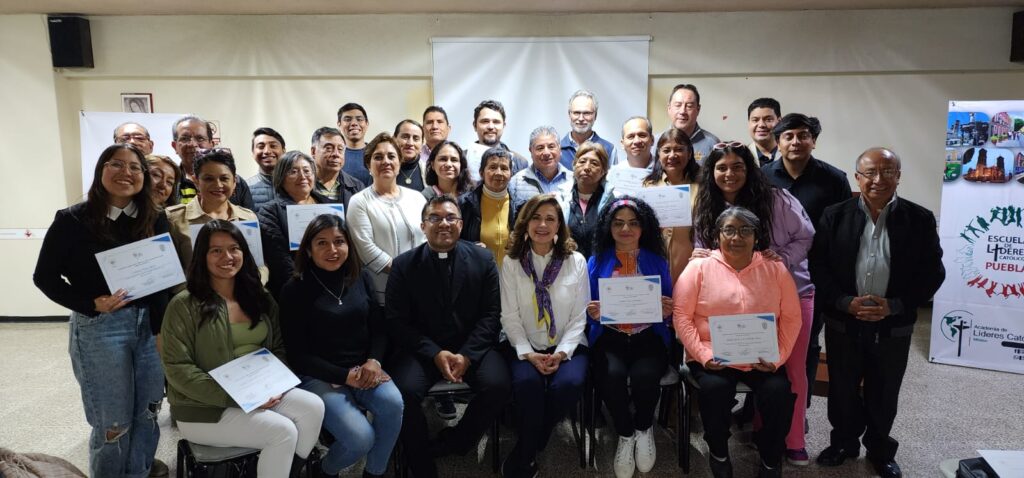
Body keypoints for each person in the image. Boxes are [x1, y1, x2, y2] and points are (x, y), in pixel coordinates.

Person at [33, 143, 170, 478]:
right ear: (100, 171)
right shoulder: (72, 220)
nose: (127, 173)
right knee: (113, 422)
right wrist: (89, 303)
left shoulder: (154, 216)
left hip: (149, 326)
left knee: (148, 412)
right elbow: (44, 277)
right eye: (116, 164)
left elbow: (161, 280)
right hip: (102, 327)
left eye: (135, 167)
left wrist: (161, 331)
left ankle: (138, 473)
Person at [812, 148, 944, 478]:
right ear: (857, 177)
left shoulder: (920, 218)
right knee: (841, 387)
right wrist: (844, 302)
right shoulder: (834, 215)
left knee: (884, 389)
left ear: (898, 176)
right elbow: (818, 266)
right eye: (870, 172)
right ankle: (843, 443)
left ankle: (880, 450)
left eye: (888, 171)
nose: (878, 179)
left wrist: (895, 305)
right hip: (844, 319)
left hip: (893, 324)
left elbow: (932, 273)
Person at [161, 220, 325, 478]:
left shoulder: (259, 296)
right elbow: (178, 369)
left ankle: (280, 472)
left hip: (259, 391)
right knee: (282, 432)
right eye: (216, 250)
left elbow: (279, 347)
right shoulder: (183, 304)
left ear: (244, 253)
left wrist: (272, 386)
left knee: (314, 407)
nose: (227, 257)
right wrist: (240, 398)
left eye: (234, 248)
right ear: (201, 256)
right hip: (205, 409)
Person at [693, 142, 815, 465]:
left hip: (790, 292)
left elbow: (806, 235)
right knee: (754, 367)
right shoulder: (707, 203)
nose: (729, 174)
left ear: (750, 170)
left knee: (790, 368)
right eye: (722, 168)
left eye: (738, 167)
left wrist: (782, 259)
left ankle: (792, 441)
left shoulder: (775, 199)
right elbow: (701, 246)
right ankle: (760, 433)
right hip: (734, 304)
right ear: (712, 172)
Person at [386, 195, 511, 478]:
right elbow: (396, 322)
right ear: (422, 225)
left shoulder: (483, 259)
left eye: (450, 218)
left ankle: (457, 441)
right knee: (402, 392)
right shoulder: (404, 265)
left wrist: (467, 355)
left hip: (471, 347)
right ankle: (419, 460)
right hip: (422, 350)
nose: (443, 224)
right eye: (435, 218)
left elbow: (492, 315)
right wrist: (434, 352)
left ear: (461, 223)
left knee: (499, 385)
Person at [675, 206, 801, 478]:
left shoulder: (775, 268)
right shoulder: (698, 267)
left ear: (756, 236)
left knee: (779, 394)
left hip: (762, 358)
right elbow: (682, 317)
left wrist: (778, 358)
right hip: (712, 357)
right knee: (715, 391)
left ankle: (770, 458)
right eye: (729, 230)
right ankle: (719, 451)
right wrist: (703, 354)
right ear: (717, 235)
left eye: (746, 230)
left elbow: (792, 318)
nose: (737, 237)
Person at [279, 215, 402, 478]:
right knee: (360, 439)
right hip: (318, 375)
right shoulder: (294, 290)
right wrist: (344, 376)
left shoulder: (361, 278)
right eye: (322, 243)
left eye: (339, 241)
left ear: (349, 245)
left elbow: (380, 330)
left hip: (364, 369)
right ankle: (324, 470)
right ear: (308, 250)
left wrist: (374, 362)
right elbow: (298, 355)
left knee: (393, 403)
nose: (332, 250)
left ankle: (375, 472)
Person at [761, 113, 852, 415]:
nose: (796, 142)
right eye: (788, 136)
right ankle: (757, 407)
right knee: (764, 337)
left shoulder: (834, 179)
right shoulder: (763, 176)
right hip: (771, 274)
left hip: (813, 277)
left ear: (813, 141)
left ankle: (801, 406)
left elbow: (840, 231)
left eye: (803, 135)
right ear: (778, 142)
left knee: (808, 344)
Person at [499, 194, 589, 478]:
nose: (542, 224)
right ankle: (529, 452)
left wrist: (561, 353)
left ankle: (528, 445)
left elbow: (579, 317)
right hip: (525, 345)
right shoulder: (512, 263)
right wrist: (529, 353)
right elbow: (509, 317)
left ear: (559, 225)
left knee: (569, 384)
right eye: (536, 217)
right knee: (528, 386)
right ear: (525, 223)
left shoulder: (575, 261)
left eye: (551, 218)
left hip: (568, 345)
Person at [586, 197, 674, 478]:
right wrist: (593, 313)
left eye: (633, 223)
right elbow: (585, 306)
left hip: (647, 336)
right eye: (618, 223)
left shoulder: (657, 260)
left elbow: (669, 304)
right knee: (609, 377)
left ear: (643, 227)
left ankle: (643, 428)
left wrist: (666, 309)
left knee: (645, 377)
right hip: (610, 337)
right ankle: (625, 434)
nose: (626, 228)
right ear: (608, 227)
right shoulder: (596, 261)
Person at [346, 132, 427, 305]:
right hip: (383, 294)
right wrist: (405, 272)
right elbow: (366, 248)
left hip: (421, 287)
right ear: (368, 165)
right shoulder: (359, 201)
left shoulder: (417, 198)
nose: (386, 162)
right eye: (378, 157)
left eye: (391, 156)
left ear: (399, 163)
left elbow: (428, 238)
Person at [166, 148, 259, 273]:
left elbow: (259, 265)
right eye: (209, 179)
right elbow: (170, 273)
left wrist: (253, 285)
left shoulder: (248, 218)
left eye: (224, 178)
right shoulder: (174, 219)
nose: (218, 185)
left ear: (234, 182)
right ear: (196, 181)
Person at [258, 150, 333, 297]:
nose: (303, 176)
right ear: (281, 177)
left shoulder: (329, 206)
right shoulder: (269, 212)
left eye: (307, 171)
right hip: (296, 290)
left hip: (332, 284)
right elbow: (280, 261)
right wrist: (306, 288)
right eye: (293, 171)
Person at [642, 128, 700, 283]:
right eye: (666, 150)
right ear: (659, 154)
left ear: (689, 154)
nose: (672, 155)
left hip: (690, 259)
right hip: (655, 259)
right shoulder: (648, 186)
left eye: (679, 150)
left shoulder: (701, 186)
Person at [171, 115, 255, 209]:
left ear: (211, 144)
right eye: (185, 139)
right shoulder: (168, 182)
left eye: (200, 138)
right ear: (175, 146)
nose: (193, 144)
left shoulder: (237, 183)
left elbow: (249, 221)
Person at [458, 146, 515, 266]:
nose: (498, 173)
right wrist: (471, 247)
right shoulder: (465, 204)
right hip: (477, 272)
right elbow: (452, 240)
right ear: (481, 172)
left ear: (511, 174)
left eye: (504, 168)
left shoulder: (519, 204)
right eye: (493, 167)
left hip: (510, 275)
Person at [508, 126, 575, 209]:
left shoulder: (574, 180)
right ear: (531, 151)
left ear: (559, 149)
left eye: (551, 147)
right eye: (540, 148)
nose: (546, 152)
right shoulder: (516, 183)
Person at [464, 99, 529, 182]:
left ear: (503, 126)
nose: (491, 126)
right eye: (485, 121)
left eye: (496, 122)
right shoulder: (461, 159)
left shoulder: (519, 162)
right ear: (474, 125)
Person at [566, 141, 610, 258]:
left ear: (603, 171)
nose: (586, 167)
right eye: (582, 162)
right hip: (569, 265)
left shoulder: (613, 200)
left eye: (594, 163)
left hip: (601, 265)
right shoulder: (560, 198)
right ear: (574, 165)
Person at [559, 89, 617, 168]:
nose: (581, 118)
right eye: (576, 113)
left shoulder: (609, 150)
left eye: (587, 113)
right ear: (569, 115)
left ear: (595, 116)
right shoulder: (556, 150)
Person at [604, 117, 656, 201]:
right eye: (631, 136)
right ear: (622, 143)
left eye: (642, 135)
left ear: (652, 140)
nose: (637, 141)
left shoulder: (665, 170)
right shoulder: (612, 176)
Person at [311, 126, 365, 207]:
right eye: (328, 148)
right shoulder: (301, 183)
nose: (336, 154)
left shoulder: (357, 187)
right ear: (313, 151)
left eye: (340, 149)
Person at [666, 84, 721, 163]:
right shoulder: (655, 143)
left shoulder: (713, 143)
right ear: (669, 108)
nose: (682, 111)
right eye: (678, 105)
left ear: (698, 109)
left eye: (689, 106)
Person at [247, 127, 286, 210]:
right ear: (253, 153)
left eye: (273, 146)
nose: (267, 151)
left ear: (283, 151)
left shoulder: (297, 184)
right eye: (261, 147)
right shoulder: (245, 188)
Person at [337, 103, 373, 186]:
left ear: (367, 123)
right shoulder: (335, 155)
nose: (354, 123)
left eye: (359, 119)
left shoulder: (375, 153)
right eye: (347, 119)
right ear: (339, 124)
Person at [747, 98, 782, 165]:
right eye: (755, 120)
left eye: (768, 120)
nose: (761, 125)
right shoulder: (740, 156)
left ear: (779, 121)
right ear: (749, 122)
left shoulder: (791, 154)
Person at [395, 119, 427, 191]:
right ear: (394, 139)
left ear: (422, 144)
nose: (410, 143)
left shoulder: (428, 172)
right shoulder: (382, 169)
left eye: (416, 138)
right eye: (405, 137)